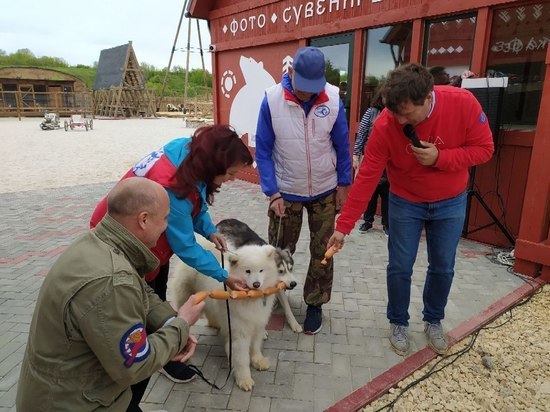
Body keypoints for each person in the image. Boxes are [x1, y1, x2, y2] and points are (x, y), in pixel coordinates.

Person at [328, 63, 494, 355]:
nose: (399, 119)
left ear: (428, 97)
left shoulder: (463, 103)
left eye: (405, 113)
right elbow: (367, 176)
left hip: (450, 201)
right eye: (394, 112)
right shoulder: (385, 124)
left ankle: (433, 321)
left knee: (443, 267)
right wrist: (343, 227)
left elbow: (484, 148)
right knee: (400, 267)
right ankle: (398, 323)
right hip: (405, 201)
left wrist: (440, 157)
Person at [16, 177, 205, 411]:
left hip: (70, 391)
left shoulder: (99, 242)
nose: (167, 225)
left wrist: (169, 320)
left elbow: (139, 288)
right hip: (75, 403)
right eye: (165, 218)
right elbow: (135, 364)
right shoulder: (112, 281)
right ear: (144, 220)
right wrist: (182, 324)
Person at [90, 125, 253, 388]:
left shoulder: (187, 151)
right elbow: (185, 246)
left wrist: (209, 230)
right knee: (137, 303)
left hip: (145, 233)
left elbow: (195, 197)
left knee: (154, 295)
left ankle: (162, 349)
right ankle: (149, 359)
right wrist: (224, 275)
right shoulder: (171, 185)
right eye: (231, 173)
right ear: (215, 164)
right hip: (124, 242)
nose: (232, 179)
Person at [255, 46, 352, 335]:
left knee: (323, 250)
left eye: (314, 88)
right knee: (278, 250)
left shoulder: (333, 99)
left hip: (324, 189)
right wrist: (272, 193)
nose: (307, 94)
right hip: (286, 193)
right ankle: (270, 295)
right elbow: (263, 151)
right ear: (291, 72)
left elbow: (343, 147)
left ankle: (315, 302)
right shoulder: (272, 100)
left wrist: (344, 185)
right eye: (302, 87)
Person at [353, 91, 389, 236]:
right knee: (371, 193)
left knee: (387, 194)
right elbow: (361, 134)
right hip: (371, 158)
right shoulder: (371, 112)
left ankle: (387, 224)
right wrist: (356, 155)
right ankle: (368, 221)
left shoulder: (396, 112)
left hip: (389, 161)